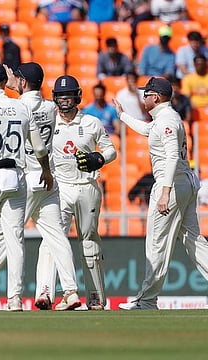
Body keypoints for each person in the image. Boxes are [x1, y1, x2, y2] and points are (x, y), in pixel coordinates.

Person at [0, 62, 81, 311]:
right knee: (53, 237)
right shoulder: (49, 107)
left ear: (21, 82)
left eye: (17, 78)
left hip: (19, 176)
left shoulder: (20, 106)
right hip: (45, 176)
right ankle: (68, 292)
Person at [114, 77, 208, 310]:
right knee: (193, 241)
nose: (143, 98)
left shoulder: (166, 121)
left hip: (172, 185)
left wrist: (165, 192)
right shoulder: (165, 118)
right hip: (183, 183)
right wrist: (123, 116)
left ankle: (146, 300)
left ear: (155, 97)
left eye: (146, 94)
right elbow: (148, 130)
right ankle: (147, 299)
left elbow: (172, 156)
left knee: (156, 243)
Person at [50, 74, 117, 310]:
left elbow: (111, 151)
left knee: (88, 241)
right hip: (60, 189)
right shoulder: (50, 123)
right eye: (60, 95)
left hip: (87, 187)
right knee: (55, 240)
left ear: (77, 96)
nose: (65, 100)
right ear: (55, 98)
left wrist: (98, 158)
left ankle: (96, 298)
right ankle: (51, 295)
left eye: (69, 95)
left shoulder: (91, 123)